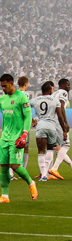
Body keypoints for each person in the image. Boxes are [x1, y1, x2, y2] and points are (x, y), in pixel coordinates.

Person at [0, 74, 37, 202]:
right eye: (1, 86)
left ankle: (31, 183)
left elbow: (27, 117)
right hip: (4, 137)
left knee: (15, 166)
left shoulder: (22, 97)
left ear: (11, 84)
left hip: (17, 137)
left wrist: (25, 133)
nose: (3, 88)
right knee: (3, 167)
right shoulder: (2, 99)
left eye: (5, 86)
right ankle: (5, 196)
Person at [30, 81, 68, 181]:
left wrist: (31, 119)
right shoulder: (55, 100)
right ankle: (47, 172)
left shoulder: (35, 100)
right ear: (49, 89)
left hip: (41, 126)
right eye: (52, 88)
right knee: (50, 150)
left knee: (41, 152)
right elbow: (59, 116)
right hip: (52, 127)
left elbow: (24, 108)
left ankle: (43, 175)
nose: (53, 90)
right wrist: (64, 130)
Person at [53, 79, 72, 178]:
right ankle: (54, 168)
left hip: (52, 122)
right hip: (59, 122)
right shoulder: (63, 93)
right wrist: (65, 123)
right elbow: (61, 107)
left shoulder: (54, 94)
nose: (69, 87)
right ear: (62, 85)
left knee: (56, 148)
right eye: (68, 85)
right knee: (66, 145)